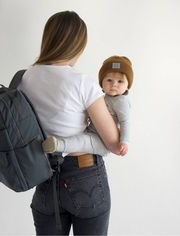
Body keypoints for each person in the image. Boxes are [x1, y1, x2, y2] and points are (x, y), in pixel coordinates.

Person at [18, 11, 121, 235]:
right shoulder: (82, 83)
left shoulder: (26, 78)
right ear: (77, 45)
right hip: (85, 177)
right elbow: (114, 143)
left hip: (45, 177)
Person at [42, 56, 133, 157]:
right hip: (91, 130)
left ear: (128, 85)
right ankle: (55, 144)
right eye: (109, 80)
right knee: (79, 138)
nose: (114, 84)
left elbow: (125, 122)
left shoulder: (121, 101)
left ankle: (58, 145)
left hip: (102, 142)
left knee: (82, 142)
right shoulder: (100, 96)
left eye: (120, 81)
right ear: (101, 82)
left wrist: (125, 142)